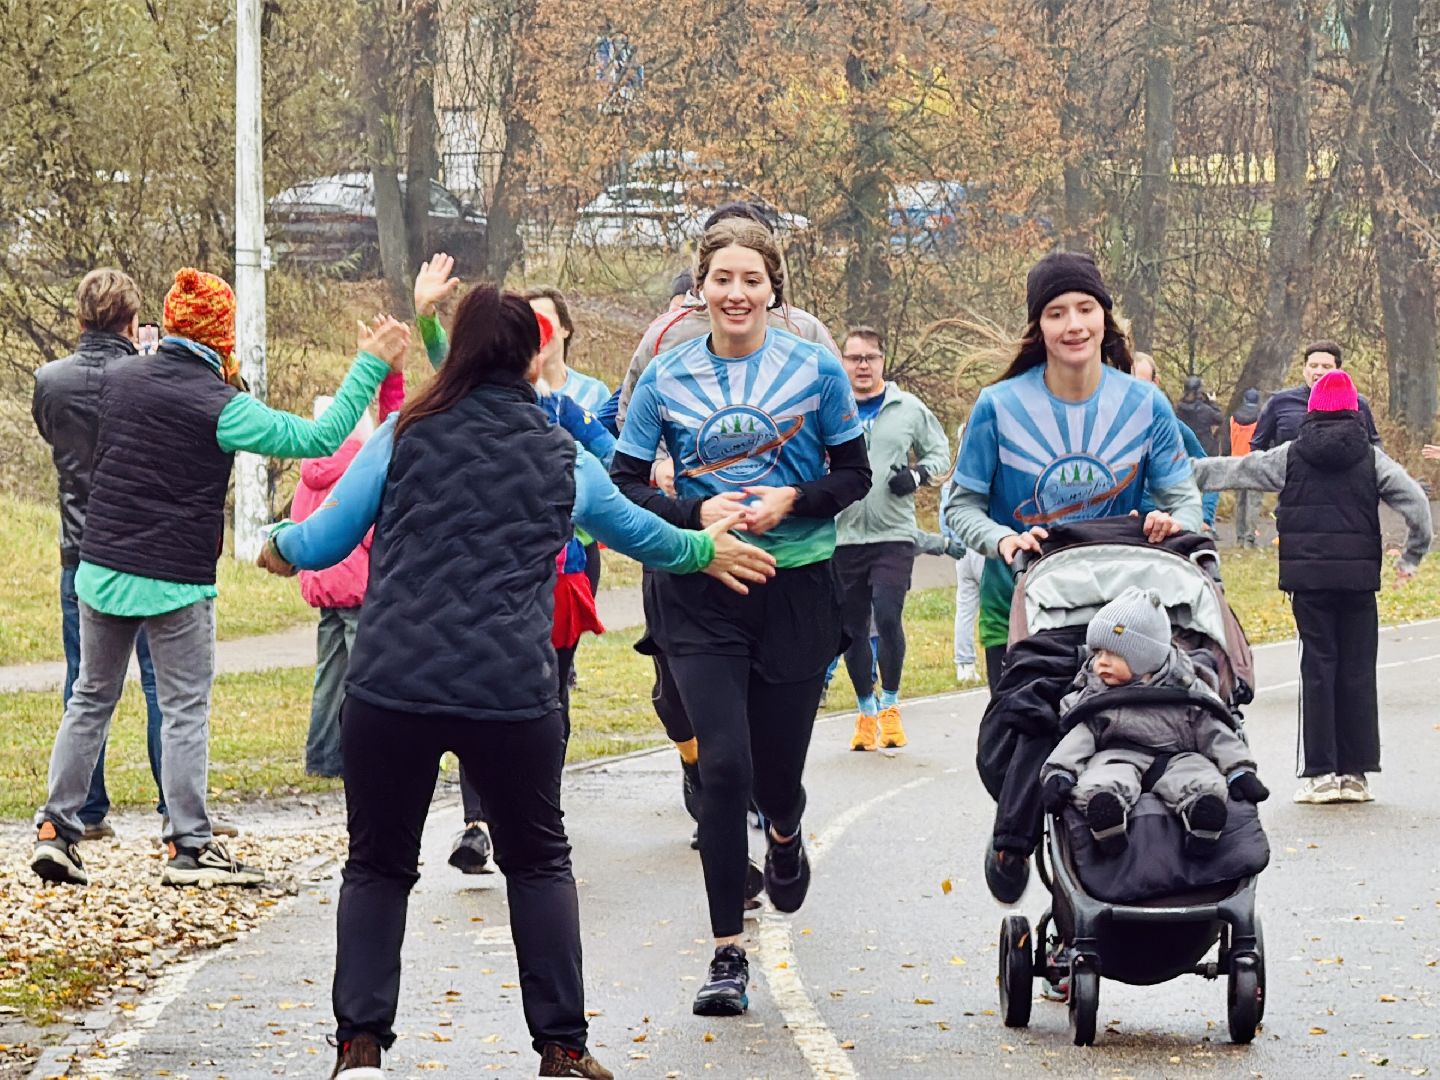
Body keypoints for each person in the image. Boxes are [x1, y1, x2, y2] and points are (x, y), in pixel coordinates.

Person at [257, 283, 774, 1080]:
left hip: (394, 686)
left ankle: (360, 1048)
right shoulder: (562, 456)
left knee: (377, 866)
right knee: (538, 864)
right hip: (511, 693)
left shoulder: (404, 435)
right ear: (535, 356)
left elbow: (324, 542)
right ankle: (562, 1047)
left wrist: (278, 544)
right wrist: (708, 549)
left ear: (458, 349)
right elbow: (646, 537)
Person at [29, 267, 408, 890]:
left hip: (98, 567)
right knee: (181, 708)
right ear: (222, 335)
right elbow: (318, 437)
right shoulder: (222, 406)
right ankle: (189, 845)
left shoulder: (119, 379)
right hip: (174, 579)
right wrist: (367, 365)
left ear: (169, 322)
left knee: (91, 698)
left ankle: (56, 830)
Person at [611, 216, 870, 1016]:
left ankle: (786, 834)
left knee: (775, 776)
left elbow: (854, 474)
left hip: (794, 585)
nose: (735, 292)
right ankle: (728, 952)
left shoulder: (817, 369)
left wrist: (796, 498)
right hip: (702, 586)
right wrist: (694, 510)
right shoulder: (665, 376)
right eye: (721, 278)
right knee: (722, 766)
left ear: (772, 290)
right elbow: (624, 482)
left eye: (750, 279)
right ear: (700, 290)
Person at [940, 251, 1202, 905]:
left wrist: (1171, 523)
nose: (1073, 323)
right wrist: (1000, 538)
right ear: (1039, 326)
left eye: (1085, 308)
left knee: (1116, 746)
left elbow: (1185, 498)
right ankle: (1017, 841)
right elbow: (959, 505)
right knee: (1036, 739)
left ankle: (1086, 904)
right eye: (1057, 312)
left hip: (1126, 616)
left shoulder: (1144, 405)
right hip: (1024, 613)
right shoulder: (998, 407)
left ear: (1103, 317)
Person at [408, 256, 617, 875]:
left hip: (570, 561)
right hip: (495, 558)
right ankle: (477, 823)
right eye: (529, 325)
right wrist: (426, 316)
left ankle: (537, 801)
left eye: (547, 325)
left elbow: (610, 474)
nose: (537, 335)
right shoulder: (485, 384)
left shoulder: (589, 397)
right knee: (482, 678)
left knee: (548, 688)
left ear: (563, 335)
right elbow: (447, 362)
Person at [1194, 370, 1432, 805]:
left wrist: (1177, 474)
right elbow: (1415, 502)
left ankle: (1321, 774)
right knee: (1357, 671)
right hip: (1359, 583)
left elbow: (1235, 469)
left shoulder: (1291, 455)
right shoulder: (1372, 459)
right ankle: (1356, 774)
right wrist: (1413, 555)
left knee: (1318, 669)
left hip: (1309, 583)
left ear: (1312, 410)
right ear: (1355, 412)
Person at [31, 269, 166, 841]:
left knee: (86, 682)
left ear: (81, 320)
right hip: (144, 546)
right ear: (132, 323)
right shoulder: (145, 379)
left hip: (79, 548)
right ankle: (176, 807)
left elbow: (52, 436)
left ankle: (85, 808)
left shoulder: (50, 381)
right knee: (164, 684)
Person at [1039, 587, 1270, 857]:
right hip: (1118, 753)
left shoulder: (1187, 689)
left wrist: (1240, 769)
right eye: (1097, 653)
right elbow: (1079, 738)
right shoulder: (1095, 693)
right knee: (1103, 776)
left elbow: (1215, 733)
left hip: (1180, 754)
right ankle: (1108, 819)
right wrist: (1059, 772)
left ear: (1145, 657)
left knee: (1199, 775)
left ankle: (1202, 817)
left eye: (1112, 655)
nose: (1100, 663)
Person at [833, 325, 950, 751]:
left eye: (870, 358)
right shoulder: (831, 407)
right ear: (843, 362)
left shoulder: (908, 408)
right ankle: (865, 713)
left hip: (893, 533)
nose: (862, 366)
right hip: (843, 534)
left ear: (882, 361)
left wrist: (917, 474)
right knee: (851, 629)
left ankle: (891, 707)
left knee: (887, 614)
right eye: (853, 358)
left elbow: (940, 453)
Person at [291, 379, 404, 780]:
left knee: (329, 674)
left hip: (323, 587)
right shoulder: (361, 464)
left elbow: (302, 521)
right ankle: (370, 758)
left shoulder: (309, 472)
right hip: (359, 588)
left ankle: (321, 757)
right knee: (367, 676)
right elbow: (372, 528)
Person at [1133, 353, 1218, 534]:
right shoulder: (1103, 431)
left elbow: (1211, 475)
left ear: (1155, 382)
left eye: (1140, 384)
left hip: (1166, 531)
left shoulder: (1172, 427)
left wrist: (1204, 517)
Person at [1251, 340, 1381, 450]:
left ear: (1338, 370)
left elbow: (1374, 445)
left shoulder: (1357, 403)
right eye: (1313, 366)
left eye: (1326, 366)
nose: (1319, 372)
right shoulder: (1280, 402)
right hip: (1290, 478)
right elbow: (1257, 445)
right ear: (1304, 369)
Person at [525, 285, 610, 413]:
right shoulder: (511, 393)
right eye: (528, 322)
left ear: (565, 328)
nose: (537, 331)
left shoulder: (595, 394)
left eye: (542, 320)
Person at [1226, 388, 1263, 547]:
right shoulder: (1261, 417)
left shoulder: (1233, 417)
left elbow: (1228, 440)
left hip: (1237, 462)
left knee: (1240, 502)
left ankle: (1239, 538)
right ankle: (1250, 539)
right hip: (1254, 462)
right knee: (1253, 502)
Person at [1174, 374, 1223, 456]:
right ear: (1199, 392)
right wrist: (1213, 402)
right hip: (1205, 452)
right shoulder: (1205, 410)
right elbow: (1220, 419)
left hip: (1186, 451)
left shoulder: (1178, 410)